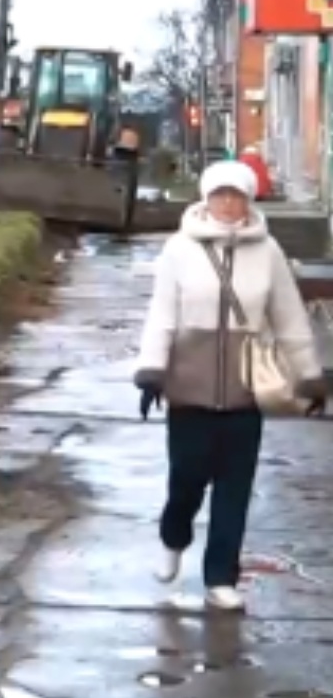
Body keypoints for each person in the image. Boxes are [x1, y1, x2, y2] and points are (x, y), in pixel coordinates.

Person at [133, 159, 327, 611]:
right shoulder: (179, 249)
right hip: (188, 385)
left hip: (245, 389)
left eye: (236, 195)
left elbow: (290, 318)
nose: (228, 203)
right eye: (220, 194)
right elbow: (161, 315)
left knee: (234, 488)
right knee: (187, 479)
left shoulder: (269, 251)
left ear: (248, 200)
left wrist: (309, 376)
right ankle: (173, 536)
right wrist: (152, 370)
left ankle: (221, 578)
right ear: (206, 197)